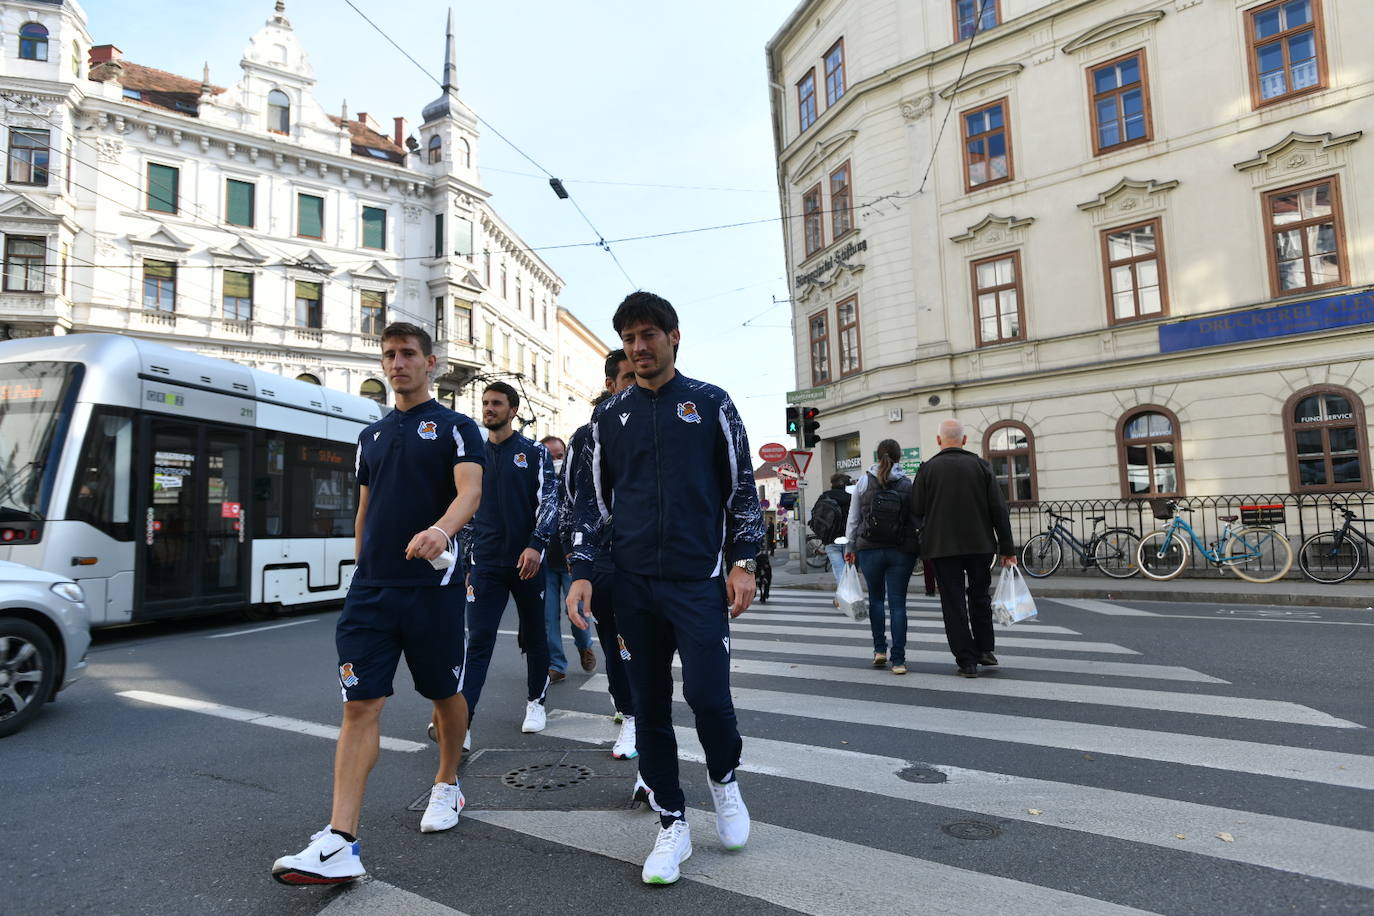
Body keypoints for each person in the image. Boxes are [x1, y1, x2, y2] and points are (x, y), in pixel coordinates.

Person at [272, 322, 484, 886]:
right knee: (359, 705)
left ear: (431, 362)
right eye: (389, 355)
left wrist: (442, 531)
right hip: (372, 591)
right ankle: (341, 840)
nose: (397, 363)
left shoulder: (457, 428)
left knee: (445, 694)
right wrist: (360, 569)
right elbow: (365, 509)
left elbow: (470, 491)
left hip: (432, 589)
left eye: (408, 354)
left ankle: (446, 783)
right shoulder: (370, 437)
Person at [566, 291, 763, 885]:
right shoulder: (609, 417)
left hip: (697, 582)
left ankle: (724, 782)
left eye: (649, 335)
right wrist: (581, 568)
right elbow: (591, 504)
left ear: (674, 338)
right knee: (648, 705)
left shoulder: (710, 404)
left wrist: (744, 561)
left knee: (708, 698)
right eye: (629, 338)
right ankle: (671, 822)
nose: (639, 347)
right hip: (632, 587)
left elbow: (742, 490)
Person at [462, 382, 560, 736]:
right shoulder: (473, 455)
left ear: (513, 409)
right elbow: (466, 510)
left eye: (497, 403)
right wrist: (469, 563)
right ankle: (464, 719)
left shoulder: (533, 452)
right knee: (479, 641)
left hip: (527, 563)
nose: (489, 408)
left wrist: (537, 544)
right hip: (486, 564)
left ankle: (536, 702)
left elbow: (550, 502)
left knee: (536, 635)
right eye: (485, 403)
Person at [561, 348, 641, 760]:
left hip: (656, 559)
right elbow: (572, 502)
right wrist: (580, 564)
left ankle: (645, 714)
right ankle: (630, 716)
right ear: (611, 385)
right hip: (608, 559)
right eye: (626, 378)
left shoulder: (660, 425)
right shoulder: (585, 437)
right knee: (615, 642)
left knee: (652, 647)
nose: (634, 384)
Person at [910, 418, 1016, 678]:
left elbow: (916, 510)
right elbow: (998, 510)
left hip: (942, 547)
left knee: (953, 602)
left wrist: (924, 536)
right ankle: (984, 649)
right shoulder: (981, 466)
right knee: (980, 596)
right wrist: (1007, 548)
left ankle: (966, 660)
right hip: (980, 545)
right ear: (965, 440)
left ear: (938, 441)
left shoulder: (927, 470)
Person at [843, 441, 919, 675]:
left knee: (876, 600)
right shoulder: (908, 483)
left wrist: (850, 547)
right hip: (900, 550)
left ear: (877, 456)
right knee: (898, 605)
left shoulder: (864, 482)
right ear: (899, 457)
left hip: (869, 549)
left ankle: (879, 650)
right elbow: (916, 519)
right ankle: (898, 660)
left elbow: (853, 518)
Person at [540, 434, 594, 682]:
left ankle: (584, 646)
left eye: (559, 456)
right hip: (543, 562)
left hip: (571, 560)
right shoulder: (537, 484)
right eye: (549, 457)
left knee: (577, 613)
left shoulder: (573, 482)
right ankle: (557, 665)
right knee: (548, 617)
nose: (555, 461)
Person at [811, 473, 852, 582]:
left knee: (838, 569)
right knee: (849, 569)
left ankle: (844, 595)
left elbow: (814, 516)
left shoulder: (824, 496)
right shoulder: (850, 497)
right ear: (845, 485)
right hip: (847, 538)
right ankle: (846, 593)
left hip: (830, 538)